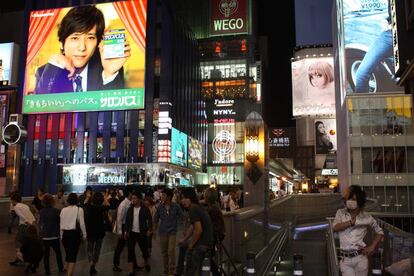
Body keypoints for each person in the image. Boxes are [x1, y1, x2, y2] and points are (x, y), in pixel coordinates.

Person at [34, 5, 129, 94]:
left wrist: (109, 74)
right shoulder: (45, 72)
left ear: (98, 42)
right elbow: (39, 107)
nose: (82, 47)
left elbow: (114, 108)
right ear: (62, 43)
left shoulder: (108, 68)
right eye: (75, 38)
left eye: (90, 38)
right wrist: (54, 64)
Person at [333, 185, 384, 276]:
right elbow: (335, 227)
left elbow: (379, 232)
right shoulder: (340, 213)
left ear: (359, 201)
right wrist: (350, 223)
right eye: (348, 198)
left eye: (353, 199)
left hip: (360, 258)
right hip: (345, 260)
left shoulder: (366, 217)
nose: (349, 201)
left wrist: (372, 247)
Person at [181, 187, 214, 276]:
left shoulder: (193, 208)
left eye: (185, 198)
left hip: (202, 244)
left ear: (190, 197)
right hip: (208, 242)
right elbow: (193, 226)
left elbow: (198, 230)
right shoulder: (198, 206)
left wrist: (190, 245)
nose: (182, 201)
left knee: (190, 269)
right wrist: (184, 239)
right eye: (182, 198)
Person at [354, 18, 392, 93]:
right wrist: (386, 19)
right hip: (391, 33)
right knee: (361, 75)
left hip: (391, 34)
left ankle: (362, 104)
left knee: (361, 74)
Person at [153, 188, 183, 276]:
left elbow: (182, 217)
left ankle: (171, 270)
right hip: (162, 232)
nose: (162, 196)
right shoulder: (159, 207)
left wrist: (185, 227)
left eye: (164, 195)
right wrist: (154, 231)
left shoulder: (176, 206)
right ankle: (165, 270)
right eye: (161, 195)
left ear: (169, 197)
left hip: (172, 231)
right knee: (164, 252)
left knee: (171, 250)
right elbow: (155, 219)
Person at [125, 191, 153, 275]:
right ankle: (130, 271)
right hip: (132, 233)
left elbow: (149, 220)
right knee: (130, 251)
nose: (133, 200)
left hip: (141, 233)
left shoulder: (145, 209)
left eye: (135, 198)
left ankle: (146, 263)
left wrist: (149, 229)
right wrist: (126, 231)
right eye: (132, 198)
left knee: (144, 250)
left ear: (140, 199)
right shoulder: (130, 209)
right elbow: (127, 221)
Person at [112, 187, 139, 272]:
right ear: (130, 193)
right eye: (133, 193)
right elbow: (119, 218)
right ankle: (115, 265)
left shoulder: (130, 203)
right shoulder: (123, 204)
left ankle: (134, 265)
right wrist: (120, 232)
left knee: (131, 246)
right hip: (123, 227)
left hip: (128, 226)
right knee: (120, 246)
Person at [60, 193, 87, 276]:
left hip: (65, 235)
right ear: (76, 200)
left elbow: (61, 224)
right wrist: (85, 234)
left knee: (68, 254)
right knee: (73, 256)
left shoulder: (63, 210)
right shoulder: (79, 210)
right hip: (74, 235)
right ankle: (69, 274)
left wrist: (61, 235)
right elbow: (82, 223)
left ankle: (68, 271)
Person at [84, 192, 110, 275]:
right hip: (100, 231)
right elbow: (108, 205)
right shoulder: (102, 208)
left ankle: (91, 262)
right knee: (97, 250)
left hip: (90, 231)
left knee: (90, 248)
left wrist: (88, 197)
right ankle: (94, 264)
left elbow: (84, 203)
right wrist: (105, 198)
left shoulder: (89, 207)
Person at [39, 193, 65, 274]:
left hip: (45, 236)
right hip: (54, 236)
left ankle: (47, 271)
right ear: (52, 201)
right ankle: (60, 268)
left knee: (46, 255)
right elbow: (59, 221)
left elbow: (40, 223)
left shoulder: (41, 212)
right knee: (58, 253)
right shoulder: (56, 211)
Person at [9, 192, 36, 266]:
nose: (11, 201)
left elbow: (22, 217)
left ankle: (20, 258)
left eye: (11, 200)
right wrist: (32, 223)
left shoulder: (16, 207)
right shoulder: (25, 205)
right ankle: (20, 258)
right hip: (29, 226)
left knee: (18, 242)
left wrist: (28, 223)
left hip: (23, 226)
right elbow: (31, 215)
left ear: (14, 200)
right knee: (24, 242)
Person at [204, 188, 225, 276]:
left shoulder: (211, 209)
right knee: (208, 255)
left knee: (206, 255)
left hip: (213, 235)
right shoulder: (216, 206)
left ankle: (216, 273)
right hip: (218, 234)